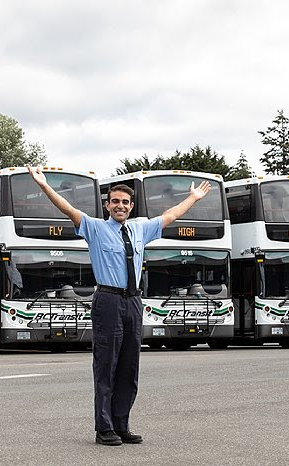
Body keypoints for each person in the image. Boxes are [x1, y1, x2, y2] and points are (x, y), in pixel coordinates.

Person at [26, 166, 211, 446]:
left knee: (129, 367)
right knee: (106, 365)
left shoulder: (140, 229)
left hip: (133, 302)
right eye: (115, 202)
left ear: (131, 206)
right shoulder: (96, 228)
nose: (120, 206)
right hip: (108, 301)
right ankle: (104, 428)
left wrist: (194, 198)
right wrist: (44, 186)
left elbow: (171, 215)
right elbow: (67, 208)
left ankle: (122, 424)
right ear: (107, 205)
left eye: (125, 202)